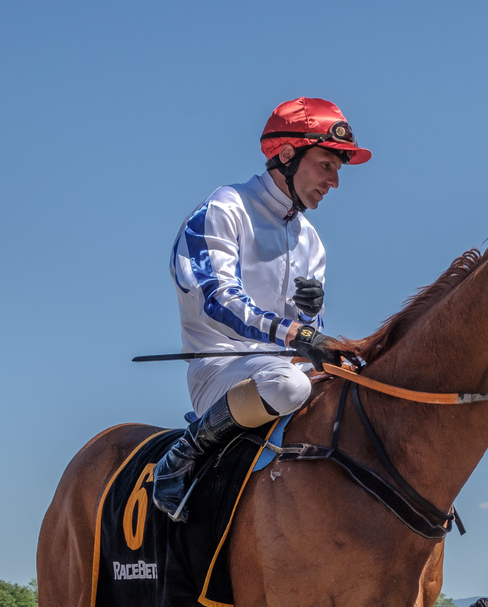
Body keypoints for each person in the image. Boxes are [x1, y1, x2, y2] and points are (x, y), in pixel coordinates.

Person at [152, 97, 371, 520]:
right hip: (221, 370)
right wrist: (298, 333)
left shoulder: (312, 240)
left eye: (338, 170)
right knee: (289, 386)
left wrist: (309, 319)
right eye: (326, 164)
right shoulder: (223, 209)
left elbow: (310, 337)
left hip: (285, 368)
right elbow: (217, 300)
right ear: (287, 154)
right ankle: (184, 452)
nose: (334, 182)